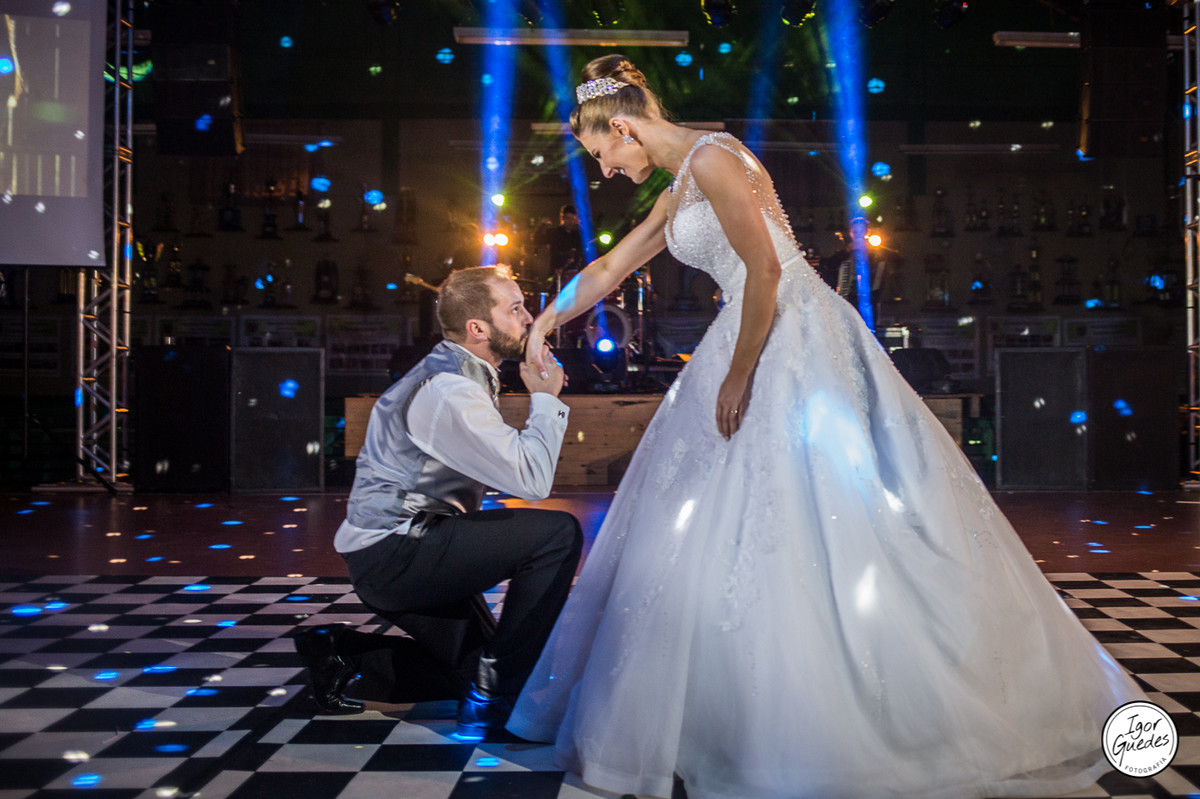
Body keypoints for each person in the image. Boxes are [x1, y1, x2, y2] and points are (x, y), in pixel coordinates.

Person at [506, 55, 1145, 799]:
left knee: (817, 500)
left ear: (621, 126)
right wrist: (542, 324)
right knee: (737, 511)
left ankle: (845, 696)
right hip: (751, 326)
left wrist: (740, 372)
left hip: (788, 333)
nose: (606, 171)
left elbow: (766, 271)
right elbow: (612, 266)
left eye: (601, 154)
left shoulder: (713, 157)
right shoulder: (682, 183)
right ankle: (735, 702)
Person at [295, 265, 582, 741]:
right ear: (478, 328)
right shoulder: (450, 389)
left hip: (400, 549)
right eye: (515, 309)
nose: (529, 319)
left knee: (474, 669)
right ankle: (494, 699)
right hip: (399, 553)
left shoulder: (455, 371)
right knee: (557, 535)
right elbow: (532, 480)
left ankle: (342, 655)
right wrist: (546, 399)